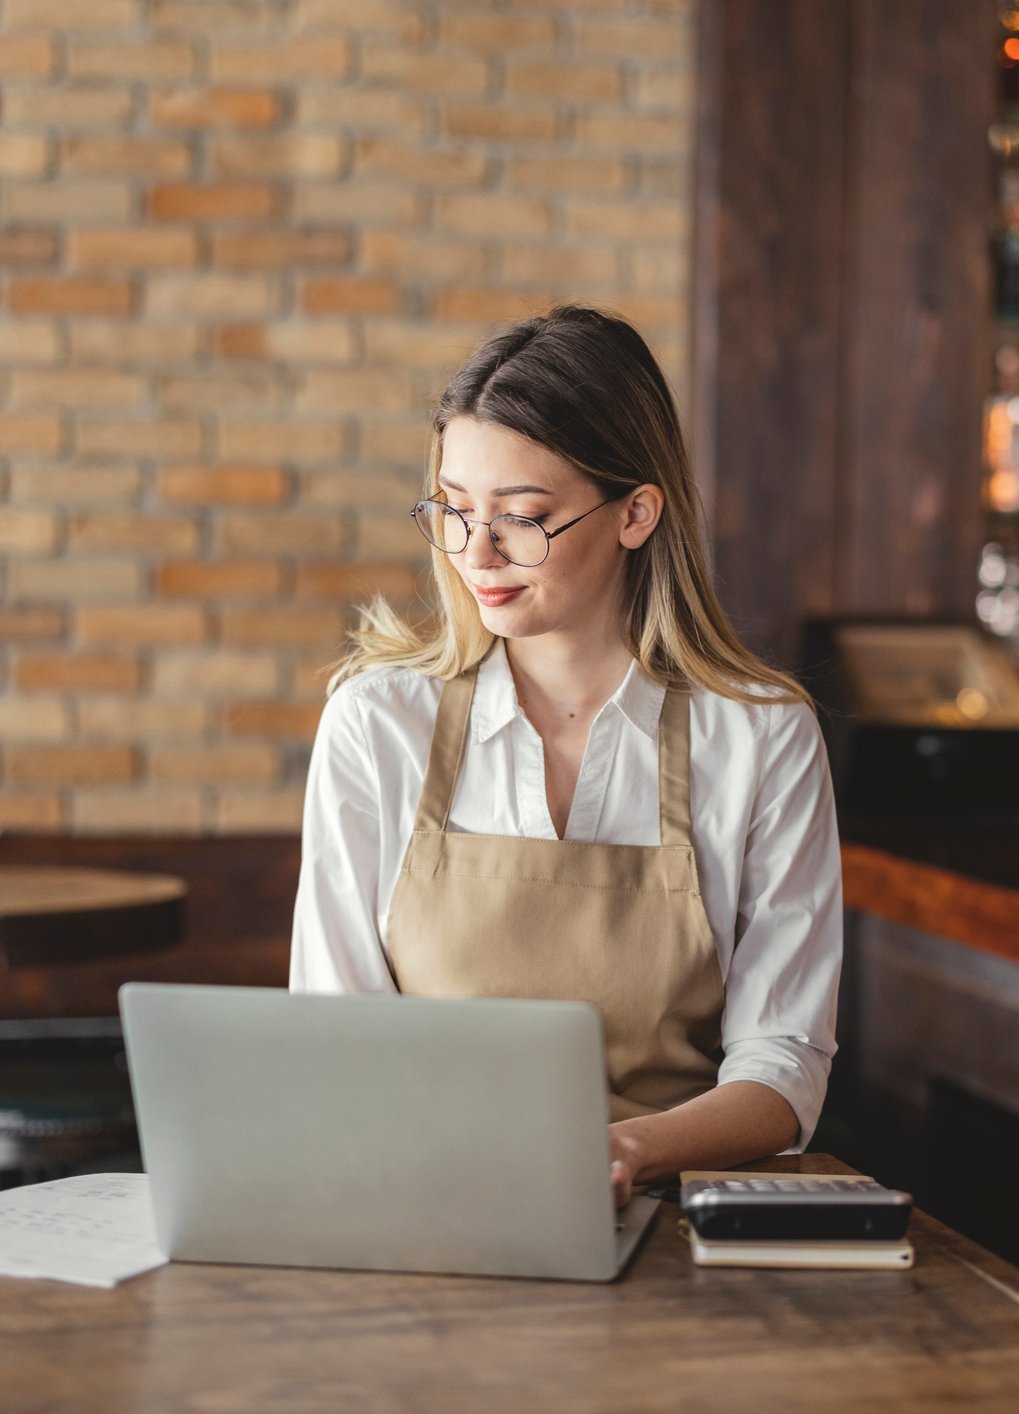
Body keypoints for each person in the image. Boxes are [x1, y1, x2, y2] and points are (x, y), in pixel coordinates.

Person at [291, 304, 842, 1206]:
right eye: (455, 510)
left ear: (635, 513)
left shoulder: (761, 736)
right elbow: (333, 1033)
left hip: (666, 1214)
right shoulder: (377, 722)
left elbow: (783, 1064)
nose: (478, 553)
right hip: (418, 1205)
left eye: (522, 516)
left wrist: (622, 1153)